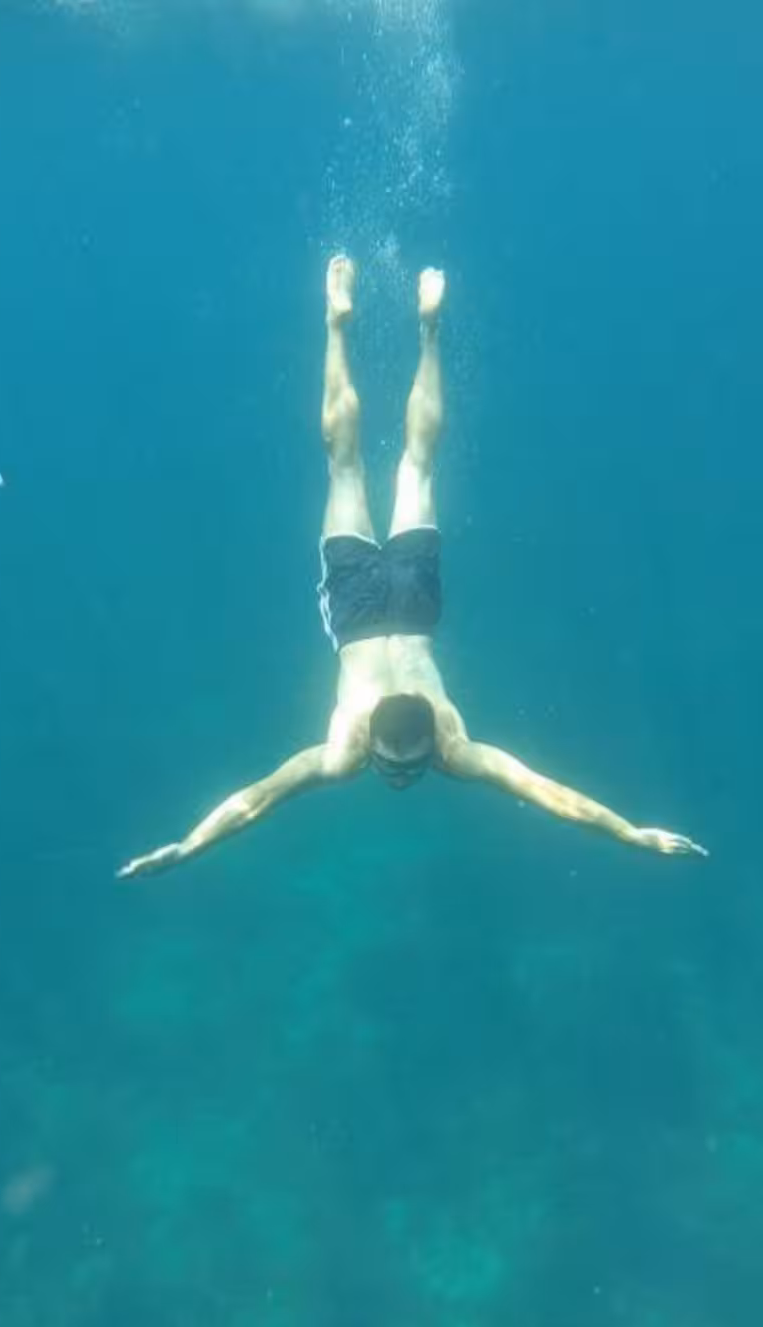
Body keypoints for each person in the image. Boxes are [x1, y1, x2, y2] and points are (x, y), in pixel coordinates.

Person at [118, 256, 705, 879]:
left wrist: (632, 836)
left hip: (398, 604)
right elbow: (255, 801)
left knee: (381, 464)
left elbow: (549, 794)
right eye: (403, 765)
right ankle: (393, 327)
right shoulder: (442, 748)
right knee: (387, 465)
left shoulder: (371, 751)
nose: (404, 776)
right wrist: (186, 848)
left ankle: (394, 327)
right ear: (378, 735)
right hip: (377, 608)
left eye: (409, 766)